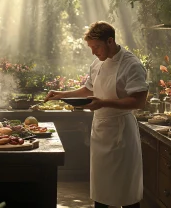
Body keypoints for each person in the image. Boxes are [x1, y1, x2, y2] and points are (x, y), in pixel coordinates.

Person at [45, 21, 148, 208]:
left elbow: (139, 101)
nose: (93, 52)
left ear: (110, 41)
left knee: (126, 191)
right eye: (91, 48)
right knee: (101, 189)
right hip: (100, 131)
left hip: (121, 133)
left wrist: (103, 103)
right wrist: (62, 95)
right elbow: (88, 88)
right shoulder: (97, 63)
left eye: (96, 47)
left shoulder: (131, 64)